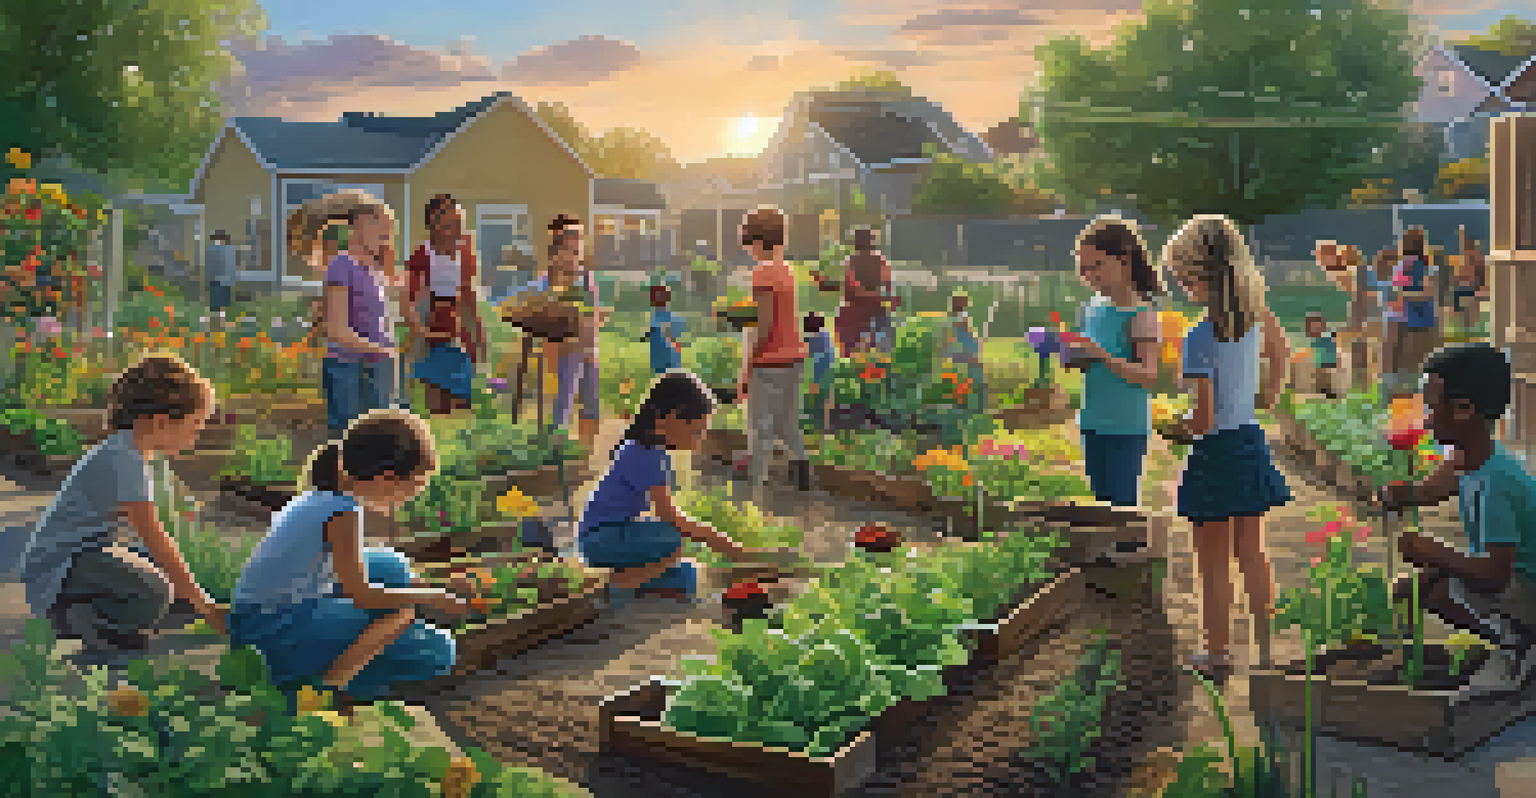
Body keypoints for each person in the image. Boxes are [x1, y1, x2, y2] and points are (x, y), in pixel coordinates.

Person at [228, 409, 468, 715]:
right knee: (430, 643)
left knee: (391, 567)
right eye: (417, 484)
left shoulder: (324, 494)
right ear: (387, 479)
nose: (415, 494)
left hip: (255, 618)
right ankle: (323, 688)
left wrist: (427, 586)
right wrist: (431, 596)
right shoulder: (343, 514)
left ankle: (330, 665)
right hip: (273, 632)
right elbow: (362, 594)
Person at [1162, 215, 1293, 681]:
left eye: (1181, 275)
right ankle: (1266, 648)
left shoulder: (1200, 336)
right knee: (1253, 551)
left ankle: (1217, 653)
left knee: (1212, 562)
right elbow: (1281, 355)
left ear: (1201, 274)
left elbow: (1203, 418)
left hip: (1215, 452)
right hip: (1249, 441)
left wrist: (1176, 426)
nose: (1179, 284)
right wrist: (1268, 398)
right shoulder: (1259, 317)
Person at [21, 354, 226, 651]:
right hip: (61, 566)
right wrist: (205, 605)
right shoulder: (124, 460)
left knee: (162, 577)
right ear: (160, 421)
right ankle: (82, 620)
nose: (196, 436)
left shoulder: (128, 451)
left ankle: (102, 615)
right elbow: (154, 537)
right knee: (154, 590)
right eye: (195, 425)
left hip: (82, 556)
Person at [1376, 344, 1536, 700]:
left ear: (1464, 410)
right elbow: (1434, 487)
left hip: (1524, 584)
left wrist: (1435, 552)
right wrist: (1402, 494)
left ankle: (1521, 646)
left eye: (1432, 408)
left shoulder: (1497, 481)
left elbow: (1496, 574)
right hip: (1508, 580)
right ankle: (1508, 635)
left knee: (1442, 588)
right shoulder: (1467, 455)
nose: (1427, 420)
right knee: (1419, 587)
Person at [579, 372, 752, 609]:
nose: (699, 440)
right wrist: (713, 537)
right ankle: (621, 583)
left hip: (609, 537)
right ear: (667, 419)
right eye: (695, 432)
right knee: (673, 538)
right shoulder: (645, 453)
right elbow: (667, 515)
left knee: (686, 574)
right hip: (601, 540)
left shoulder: (651, 450)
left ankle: (638, 582)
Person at [287, 191, 401, 435]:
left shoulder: (371, 269)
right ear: (360, 226)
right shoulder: (341, 265)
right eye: (382, 232)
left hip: (375, 367)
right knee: (349, 442)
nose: (385, 241)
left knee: (378, 443)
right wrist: (382, 350)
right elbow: (336, 330)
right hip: (350, 369)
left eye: (388, 236)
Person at [1067, 216, 1163, 508]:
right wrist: (1073, 357)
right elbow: (1091, 360)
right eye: (1083, 268)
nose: (1089, 275)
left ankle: (1135, 555)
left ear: (1124, 260)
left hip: (1125, 428)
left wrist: (1102, 356)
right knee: (1101, 509)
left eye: (1096, 265)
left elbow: (1148, 376)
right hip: (1092, 422)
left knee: (1122, 512)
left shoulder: (1141, 313)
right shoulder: (1091, 308)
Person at [513, 214, 607, 451]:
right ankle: (557, 449)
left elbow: (591, 309)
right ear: (556, 252)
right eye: (569, 251)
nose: (574, 257)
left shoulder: (586, 277)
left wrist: (596, 321)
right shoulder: (549, 280)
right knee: (563, 400)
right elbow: (545, 313)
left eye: (577, 252)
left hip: (588, 348)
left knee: (591, 402)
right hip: (564, 349)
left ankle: (586, 450)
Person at [739, 208, 812, 494]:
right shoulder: (786, 269)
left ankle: (757, 485)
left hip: (769, 360)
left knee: (760, 427)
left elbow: (764, 322)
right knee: (788, 422)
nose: (748, 248)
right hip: (794, 356)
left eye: (749, 241)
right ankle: (802, 480)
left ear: (757, 240)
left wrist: (748, 364)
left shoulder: (762, 272)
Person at [406, 195, 485, 415]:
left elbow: (469, 295)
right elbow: (411, 300)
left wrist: (479, 335)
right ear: (435, 222)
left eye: (461, 222)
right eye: (453, 223)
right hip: (432, 335)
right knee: (437, 403)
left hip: (460, 333)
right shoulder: (422, 255)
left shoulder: (466, 254)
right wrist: (420, 332)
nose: (459, 229)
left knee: (463, 401)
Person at [826, 227, 900, 357]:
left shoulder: (851, 261)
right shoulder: (881, 261)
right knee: (879, 351)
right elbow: (888, 287)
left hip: (854, 313)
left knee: (851, 353)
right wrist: (882, 298)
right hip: (876, 311)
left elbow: (851, 287)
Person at [943, 291, 987, 413]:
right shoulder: (960, 317)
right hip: (964, 355)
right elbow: (963, 334)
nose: (967, 303)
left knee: (967, 381)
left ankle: (971, 407)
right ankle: (977, 408)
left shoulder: (954, 318)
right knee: (975, 381)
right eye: (965, 301)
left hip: (962, 355)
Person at [804, 312, 836, 434]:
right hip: (829, 372)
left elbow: (816, 359)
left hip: (820, 373)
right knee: (827, 400)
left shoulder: (815, 339)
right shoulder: (826, 335)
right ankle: (826, 426)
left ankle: (817, 425)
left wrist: (814, 381)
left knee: (817, 400)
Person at [647, 283, 687, 377]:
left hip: (669, 358)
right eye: (656, 295)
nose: (658, 298)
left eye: (661, 295)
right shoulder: (656, 315)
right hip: (660, 358)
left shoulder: (670, 317)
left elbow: (675, 335)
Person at [1304, 311, 1339, 398]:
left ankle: (1327, 391)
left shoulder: (1327, 337)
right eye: (1312, 325)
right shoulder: (1313, 340)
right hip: (1319, 364)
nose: (1315, 327)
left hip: (1327, 363)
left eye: (1317, 324)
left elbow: (1332, 348)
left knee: (1325, 375)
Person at [206, 230, 237, 312]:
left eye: (219, 239)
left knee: (223, 301)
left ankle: (221, 315)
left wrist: (231, 279)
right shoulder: (212, 250)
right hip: (215, 279)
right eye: (216, 239)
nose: (218, 241)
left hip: (224, 280)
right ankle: (215, 315)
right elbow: (210, 265)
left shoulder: (229, 250)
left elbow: (231, 266)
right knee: (215, 300)